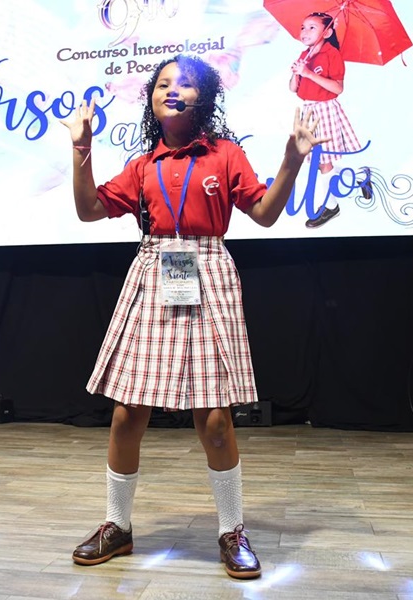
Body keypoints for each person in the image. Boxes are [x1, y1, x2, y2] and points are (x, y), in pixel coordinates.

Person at [60, 54, 327, 580]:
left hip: (208, 270)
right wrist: (81, 149)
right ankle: (118, 525)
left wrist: (292, 161)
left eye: (184, 84)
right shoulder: (143, 166)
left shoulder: (225, 155)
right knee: (125, 414)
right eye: (162, 84)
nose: (172, 90)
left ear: (202, 98)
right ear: (152, 101)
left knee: (216, 421)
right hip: (153, 270)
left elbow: (266, 214)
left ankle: (232, 530)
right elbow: (89, 209)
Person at [289, 11, 369, 228]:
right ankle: (361, 176)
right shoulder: (304, 55)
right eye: (303, 27)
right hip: (308, 113)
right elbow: (293, 89)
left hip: (325, 110)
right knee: (320, 162)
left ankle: (331, 207)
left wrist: (308, 73)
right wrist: (297, 73)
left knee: (323, 161)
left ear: (328, 32)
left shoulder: (331, 54)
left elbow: (337, 87)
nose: (305, 31)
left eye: (312, 27)